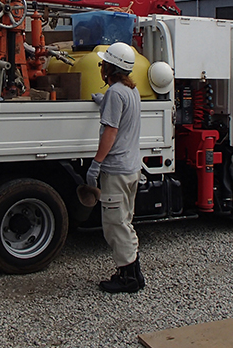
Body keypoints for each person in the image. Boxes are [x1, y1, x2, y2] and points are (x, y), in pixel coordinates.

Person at [87, 42, 145, 293]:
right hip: (131, 168)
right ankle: (133, 273)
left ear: (110, 68)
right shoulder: (132, 91)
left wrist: (96, 163)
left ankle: (129, 278)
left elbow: (111, 131)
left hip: (117, 170)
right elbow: (122, 117)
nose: (101, 67)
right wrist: (104, 103)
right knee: (124, 221)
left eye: (103, 63)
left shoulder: (115, 93)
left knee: (115, 225)